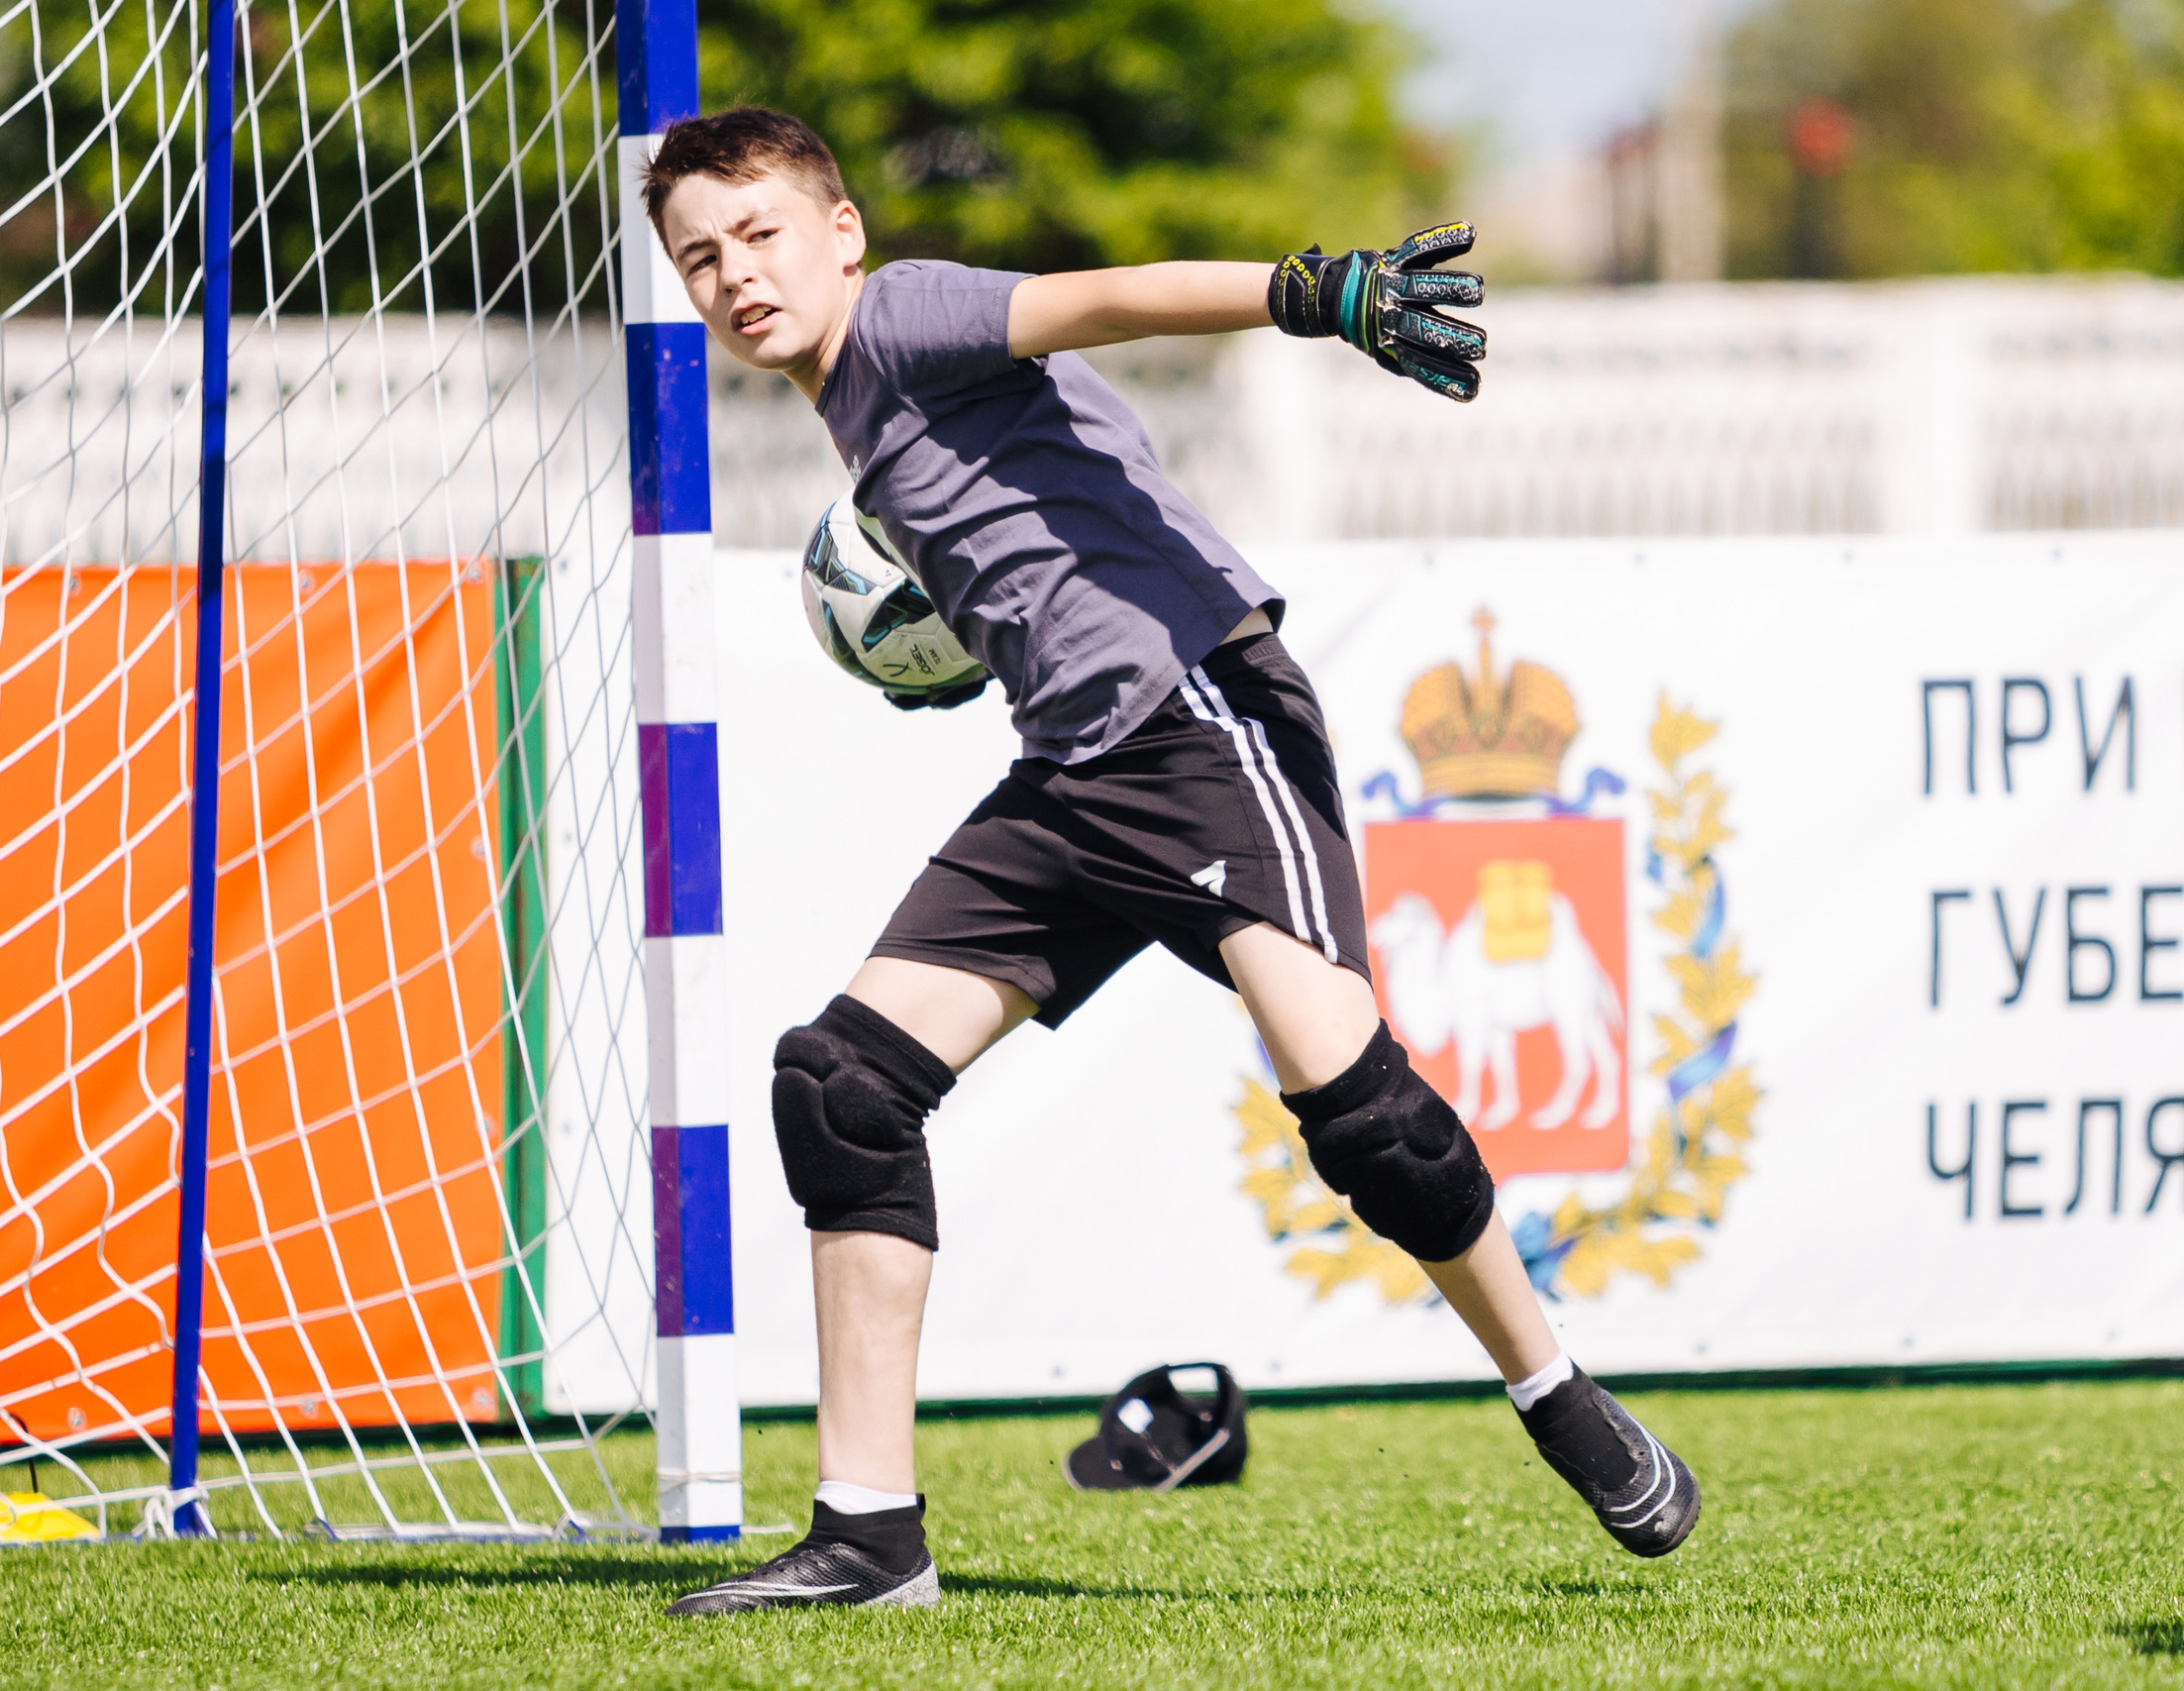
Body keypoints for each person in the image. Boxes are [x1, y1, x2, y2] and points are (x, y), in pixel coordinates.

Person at [647, 107, 1698, 1617]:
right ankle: (872, 1539)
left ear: (842, 235)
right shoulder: (847, 408)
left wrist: (1315, 294)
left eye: (760, 237)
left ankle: (1563, 1401)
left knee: (1365, 1120)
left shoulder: (912, 312)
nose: (736, 276)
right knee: (844, 1084)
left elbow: (1105, 300)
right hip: (1075, 771)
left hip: (1199, 721)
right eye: (701, 259)